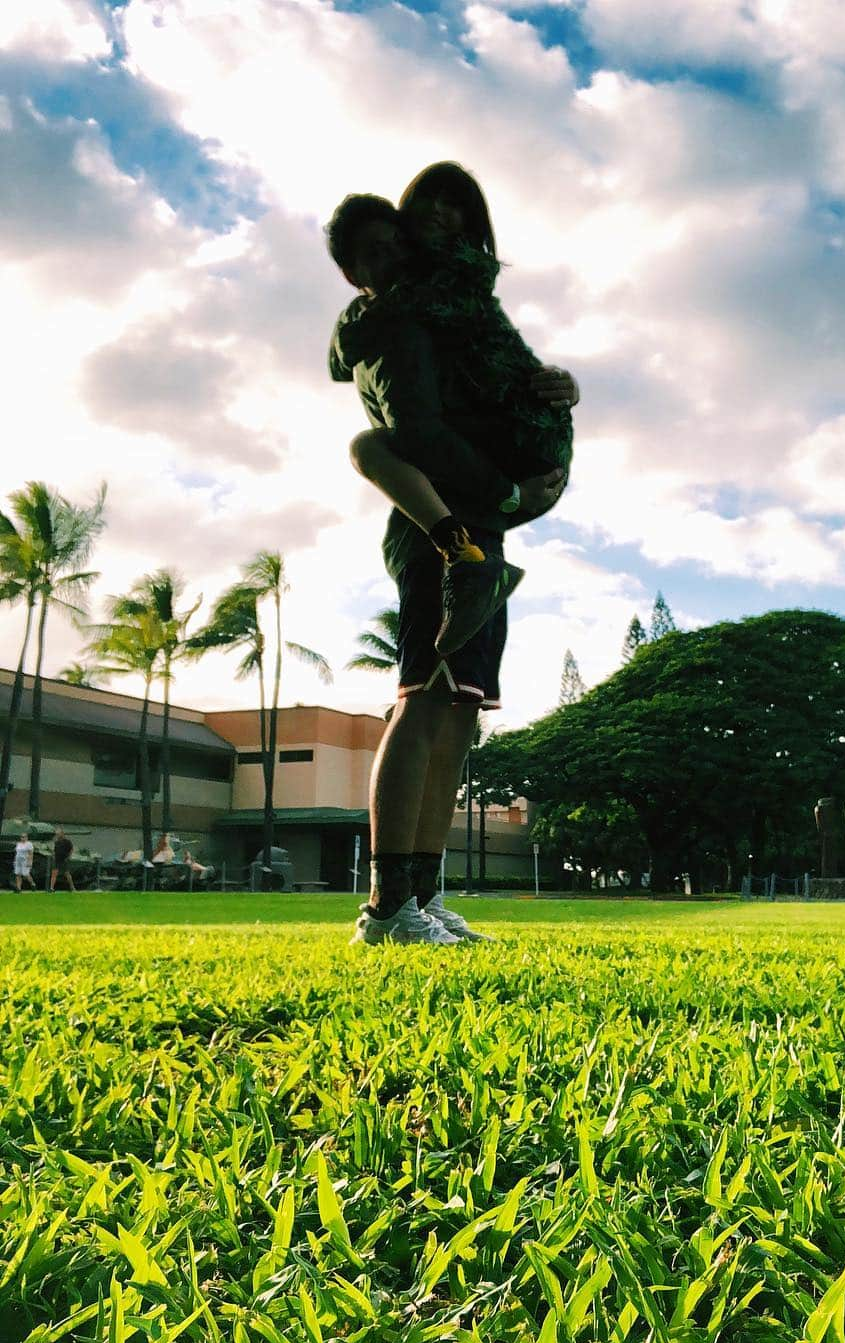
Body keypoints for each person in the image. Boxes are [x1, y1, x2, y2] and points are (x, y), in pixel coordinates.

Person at [325, 177, 573, 946]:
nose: (394, 255)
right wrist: (502, 489)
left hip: (476, 528)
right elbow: (417, 433)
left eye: (398, 241)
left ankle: (422, 899)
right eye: (374, 251)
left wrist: (546, 394)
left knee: (458, 715)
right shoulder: (392, 328)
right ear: (353, 272)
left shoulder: (440, 321)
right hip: (442, 531)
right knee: (424, 702)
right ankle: (387, 906)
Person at [328, 164, 575, 655]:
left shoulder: (439, 284)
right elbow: (345, 356)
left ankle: (468, 562)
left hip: (519, 453)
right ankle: (470, 563)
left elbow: (362, 355)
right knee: (454, 701)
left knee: (371, 446)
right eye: (431, 199)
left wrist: (559, 389)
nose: (442, 212)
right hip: (501, 461)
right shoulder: (414, 293)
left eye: (457, 204)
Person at [51, 827, 75, 892]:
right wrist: (53, 855)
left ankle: (72, 887)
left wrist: (69, 856)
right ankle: (51, 888)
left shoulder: (67, 841)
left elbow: (71, 849)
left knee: (67, 873)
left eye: (58, 834)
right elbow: (54, 850)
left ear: (62, 834)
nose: (57, 835)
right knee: (54, 873)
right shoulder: (57, 842)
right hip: (57, 859)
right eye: (57, 834)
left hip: (64, 859)